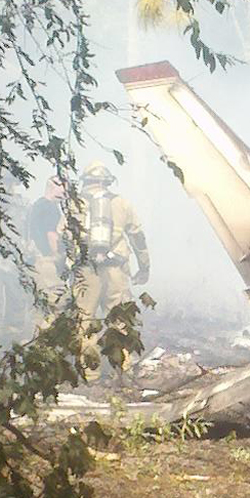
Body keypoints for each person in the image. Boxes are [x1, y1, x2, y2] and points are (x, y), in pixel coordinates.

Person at [63, 160, 150, 379]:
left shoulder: (74, 204)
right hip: (115, 270)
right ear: (107, 181)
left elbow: (63, 237)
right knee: (120, 318)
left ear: (86, 181)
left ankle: (90, 374)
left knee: (85, 320)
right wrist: (144, 266)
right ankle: (123, 368)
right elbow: (138, 237)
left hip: (86, 271)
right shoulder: (122, 203)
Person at [27, 176, 65, 312]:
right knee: (55, 302)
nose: (65, 192)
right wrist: (58, 256)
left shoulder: (36, 205)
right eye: (63, 187)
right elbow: (51, 234)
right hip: (48, 262)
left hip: (36, 261)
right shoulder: (50, 207)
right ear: (53, 187)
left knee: (41, 304)